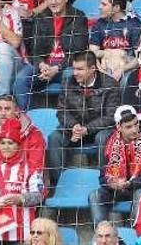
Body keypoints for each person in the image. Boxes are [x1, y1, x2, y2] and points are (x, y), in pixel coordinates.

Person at [47, 51, 118, 185]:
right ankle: (60, 185)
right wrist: (74, 126)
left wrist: (87, 129)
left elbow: (110, 117)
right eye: (74, 68)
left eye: (80, 69)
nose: (75, 73)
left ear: (92, 69)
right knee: (54, 138)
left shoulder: (110, 84)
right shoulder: (68, 82)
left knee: (103, 138)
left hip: (99, 131)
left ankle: (105, 183)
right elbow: (62, 111)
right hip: (74, 130)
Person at [0, 118, 44, 243]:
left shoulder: (30, 168)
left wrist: (21, 199)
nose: (6, 147)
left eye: (10, 143)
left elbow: (39, 195)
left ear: (18, 145)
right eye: (3, 143)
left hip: (21, 230)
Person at [23, 0, 89, 103]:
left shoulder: (78, 17)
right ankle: (25, 118)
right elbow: (35, 49)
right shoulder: (41, 17)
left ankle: (68, 118)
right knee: (22, 79)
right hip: (45, 67)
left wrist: (57, 68)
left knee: (70, 76)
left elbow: (79, 52)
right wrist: (41, 65)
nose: (53, 2)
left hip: (66, 66)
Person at [89, 106, 141, 225]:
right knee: (94, 196)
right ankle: (102, 233)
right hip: (115, 189)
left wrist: (130, 183)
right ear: (119, 127)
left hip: (138, 187)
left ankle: (135, 235)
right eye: (129, 127)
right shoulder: (108, 142)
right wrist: (111, 182)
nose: (135, 130)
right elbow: (102, 177)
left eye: (136, 124)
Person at [0, 95, 45, 181]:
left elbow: (35, 167)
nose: (3, 113)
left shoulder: (34, 134)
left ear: (17, 111)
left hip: (23, 185)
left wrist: (11, 184)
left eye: (7, 109)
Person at [88, 0, 141, 80]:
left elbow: (140, 58)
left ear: (116, 8)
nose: (99, 7)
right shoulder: (99, 24)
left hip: (127, 68)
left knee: (127, 80)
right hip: (103, 66)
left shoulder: (134, 24)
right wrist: (101, 71)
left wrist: (121, 70)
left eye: (104, 4)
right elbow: (92, 54)